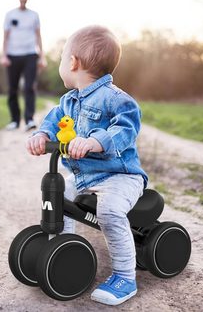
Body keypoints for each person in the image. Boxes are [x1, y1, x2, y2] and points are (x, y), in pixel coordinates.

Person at [26, 26, 148, 306]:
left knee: (109, 211)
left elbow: (127, 127)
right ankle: (60, 247)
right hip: (85, 176)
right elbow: (53, 120)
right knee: (57, 195)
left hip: (120, 176)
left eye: (60, 58)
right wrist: (41, 135)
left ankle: (125, 277)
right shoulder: (68, 101)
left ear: (72, 63)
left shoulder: (117, 99)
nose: (59, 64)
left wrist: (95, 142)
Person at [1, 0, 46, 131]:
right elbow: (5, 37)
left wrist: (42, 56)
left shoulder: (34, 15)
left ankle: (29, 119)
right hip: (13, 55)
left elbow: (38, 36)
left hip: (30, 54)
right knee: (12, 89)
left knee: (29, 87)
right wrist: (4, 55)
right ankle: (14, 120)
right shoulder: (10, 15)